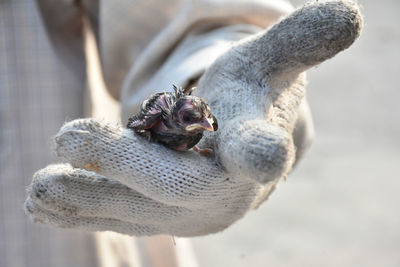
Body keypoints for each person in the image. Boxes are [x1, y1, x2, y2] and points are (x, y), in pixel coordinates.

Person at [1, 0, 362, 266]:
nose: (207, 125)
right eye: (200, 119)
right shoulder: (159, 113)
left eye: (205, 120)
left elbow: (192, 18)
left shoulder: (194, 119)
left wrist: (235, 88)